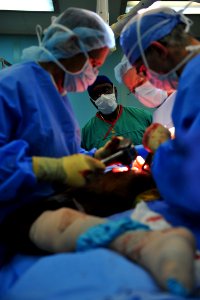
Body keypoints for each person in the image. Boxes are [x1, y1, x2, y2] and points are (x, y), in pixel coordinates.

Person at [0, 7, 197, 298]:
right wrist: (49, 169)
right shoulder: (11, 86)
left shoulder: (58, 95)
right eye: (94, 62)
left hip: (56, 197)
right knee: (38, 222)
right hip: (18, 206)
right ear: (69, 50)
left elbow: (67, 153)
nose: (93, 75)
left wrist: (100, 155)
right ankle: (143, 243)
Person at [120, 1, 200, 276]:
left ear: (158, 51)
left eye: (142, 71)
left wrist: (164, 149)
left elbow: (193, 186)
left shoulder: (195, 81)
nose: (146, 79)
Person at [81, 75, 153, 150]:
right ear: (92, 101)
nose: (103, 96)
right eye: (97, 94)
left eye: (106, 90)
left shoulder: (142, 117)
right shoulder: (88, 132)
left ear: (115, 91)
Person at [114, 55, 176, 129]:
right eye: (133, 91)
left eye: (140, 83)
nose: (139, 92)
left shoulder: (188, 93)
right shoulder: (157, 120)